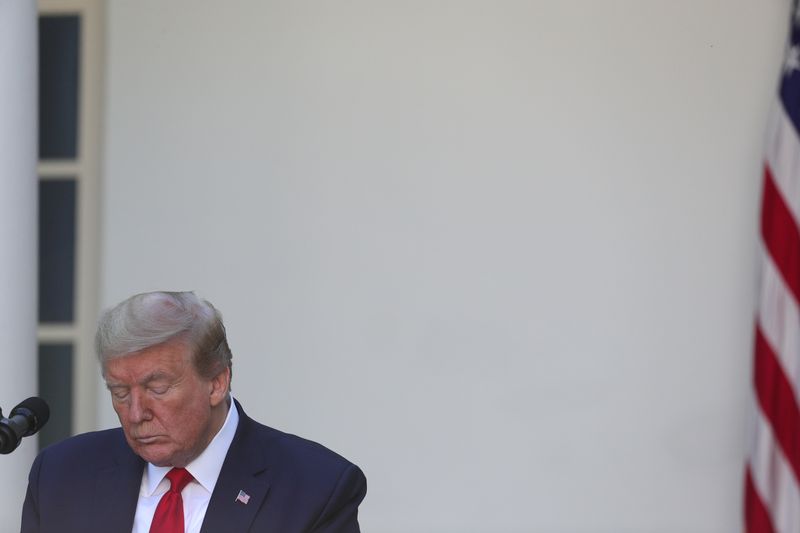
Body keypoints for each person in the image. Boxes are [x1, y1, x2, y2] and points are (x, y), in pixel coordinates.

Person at [21, 291, 366, 532]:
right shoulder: (61, 476)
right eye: (120, 392)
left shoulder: (314, 487)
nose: (136, 413)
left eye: (157, 388)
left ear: (217, 382)